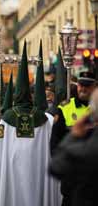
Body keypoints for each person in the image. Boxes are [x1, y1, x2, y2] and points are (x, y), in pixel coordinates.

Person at [0, 41, 60, 206]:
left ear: (16, 96)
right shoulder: (42, 119)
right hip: (38, 173)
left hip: (12, 172)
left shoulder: (7, 118)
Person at [50, 71, 96, 206]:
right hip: (73, 177)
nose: (83, 88)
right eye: (81, 85)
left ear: (95, 87)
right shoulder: (65, 108)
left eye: (87, 86)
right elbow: (55, 142)